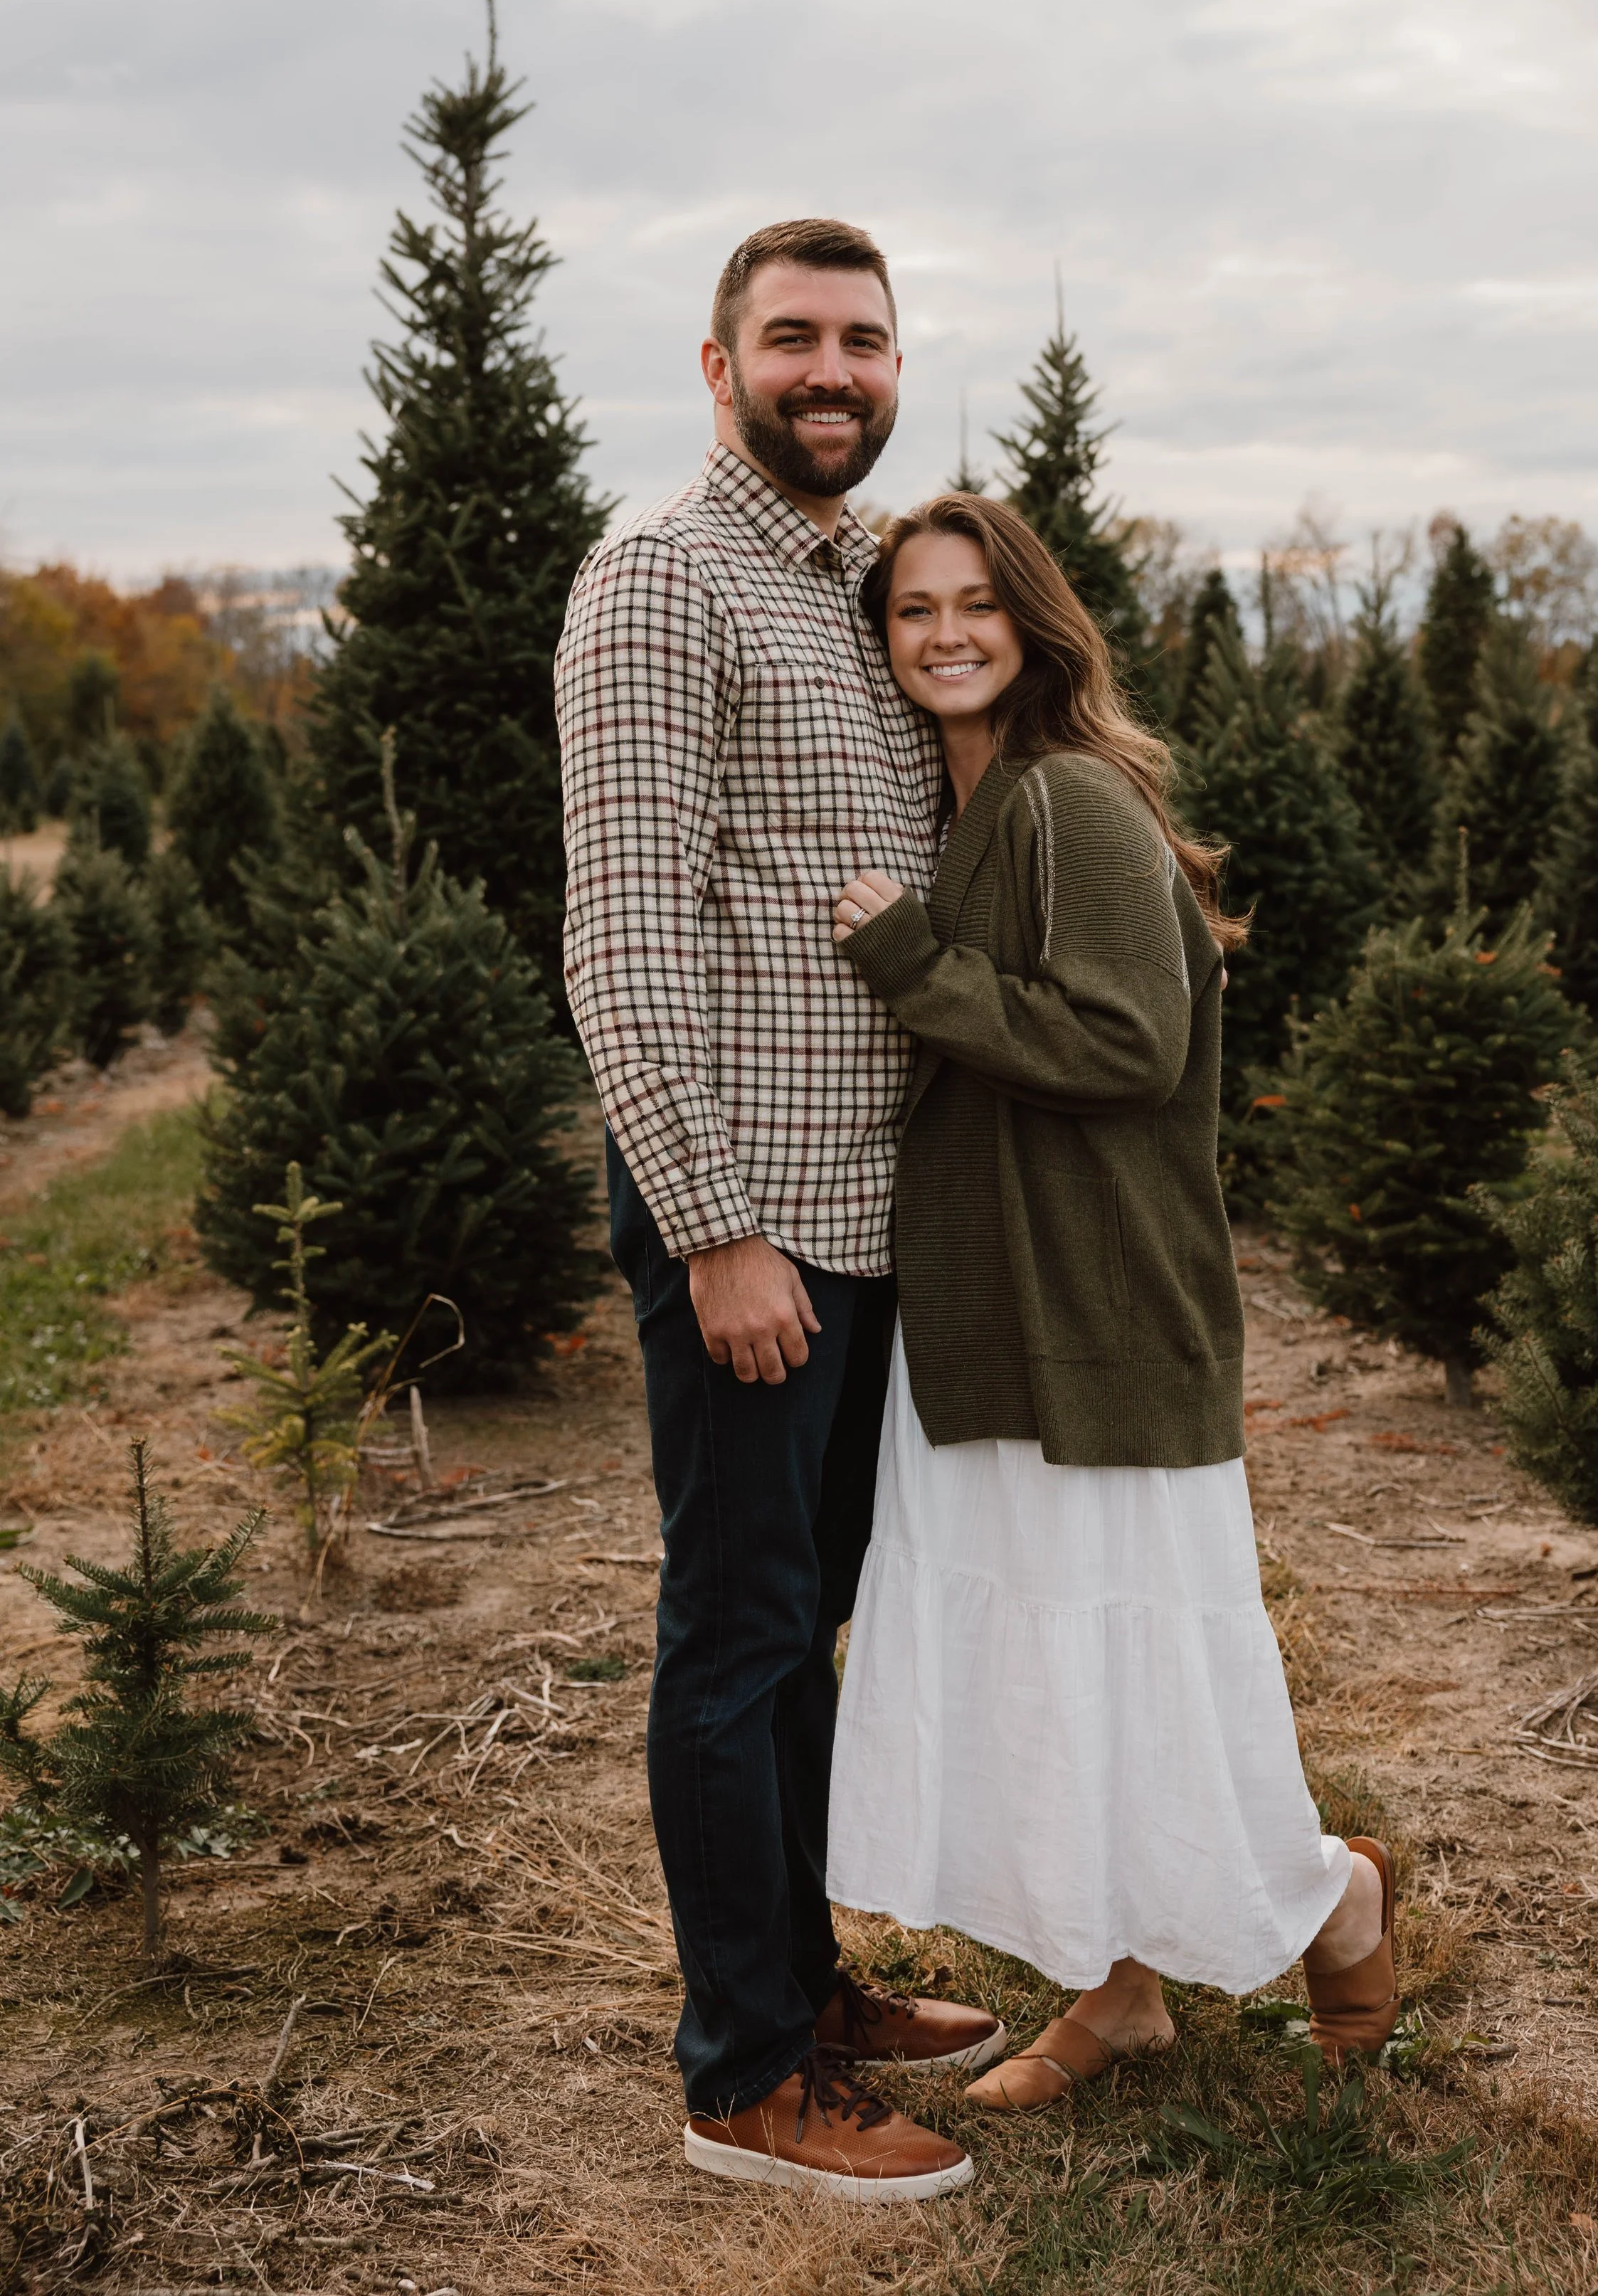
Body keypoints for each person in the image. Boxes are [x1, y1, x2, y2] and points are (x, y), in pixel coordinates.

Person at [826, 493, 1399, 2107]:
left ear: (1030, 623)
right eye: (908, 610)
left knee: (1129, 1654)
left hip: (1099, 1308)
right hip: (991, 1312)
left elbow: (1120, 1046)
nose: (940, 632)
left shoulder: (1067, 796)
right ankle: (1114, 1990)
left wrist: (904, 960)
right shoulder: (981, 801)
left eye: (971, 603)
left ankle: (1332, 1895)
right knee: (1047, 1669)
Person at [555, 222, 1004, 2203]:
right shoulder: (664, 578)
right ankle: (741, 2073)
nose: (835, 368)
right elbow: (626, 936)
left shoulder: (867, 576)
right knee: (735, 1636)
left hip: (881, 1213)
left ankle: (806, 1984)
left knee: (808, 1623)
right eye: (794, 339)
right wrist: (717, 1226)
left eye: (866, 340)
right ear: (719, 363)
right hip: (760, 1220)